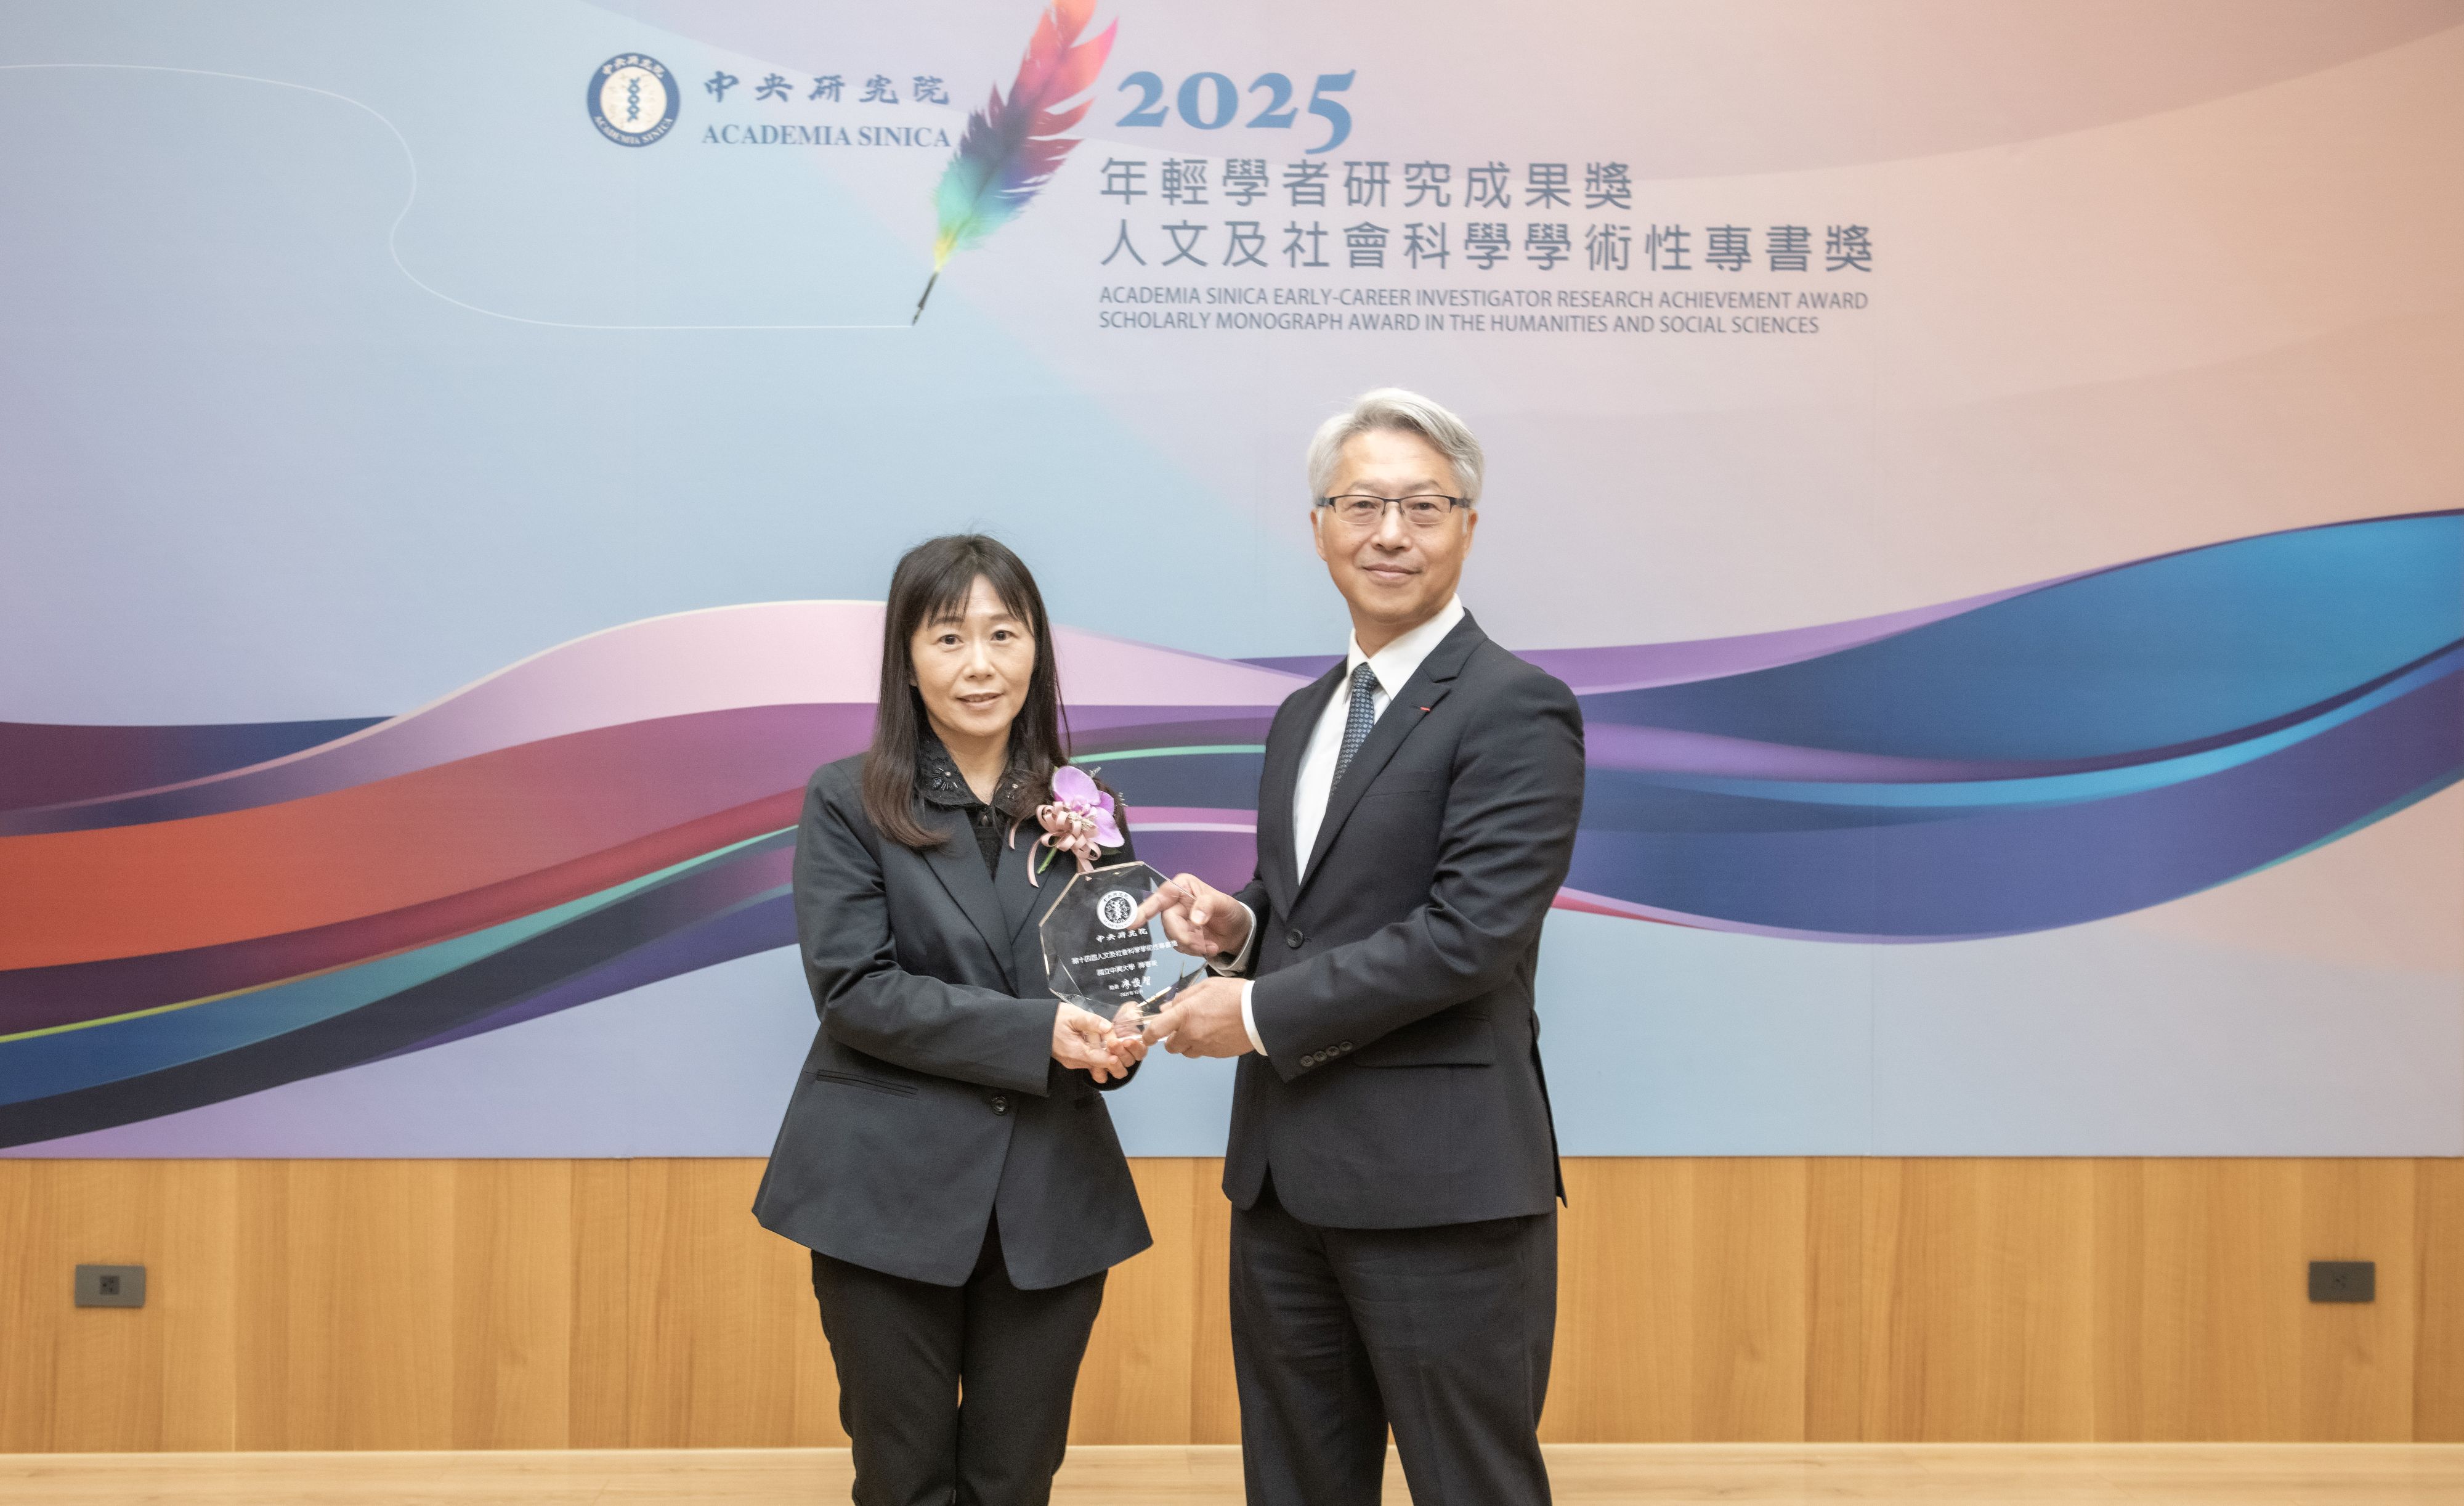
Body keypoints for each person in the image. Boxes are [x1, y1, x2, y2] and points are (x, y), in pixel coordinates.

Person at [1131, 390, 1586, 1505]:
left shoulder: (1517, 708)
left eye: (1423, 507)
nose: (1391, 533)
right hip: (1285, 1184)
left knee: (1471, 1484)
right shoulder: (1304, 713)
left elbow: (1469, 936)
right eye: (1363, 505)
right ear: (1320, 525)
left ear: (1467, 526)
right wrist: (1241, 929)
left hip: (1444, 1189)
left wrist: (1251, 1014)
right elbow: (1319, 908)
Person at [755, 534, 1151, 1506]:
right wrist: (1037, 1035)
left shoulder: (1088, 805)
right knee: (904, 1479)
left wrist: (1122, 1038)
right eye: (949, 638)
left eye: (1004, 635)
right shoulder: (849, 800)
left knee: (1016, 1480)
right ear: (907, 659)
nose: (980, 664)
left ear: (1036, 650)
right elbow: (855, 989)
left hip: (1049, 1197)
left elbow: (1102, 985)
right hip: (885, 1195)